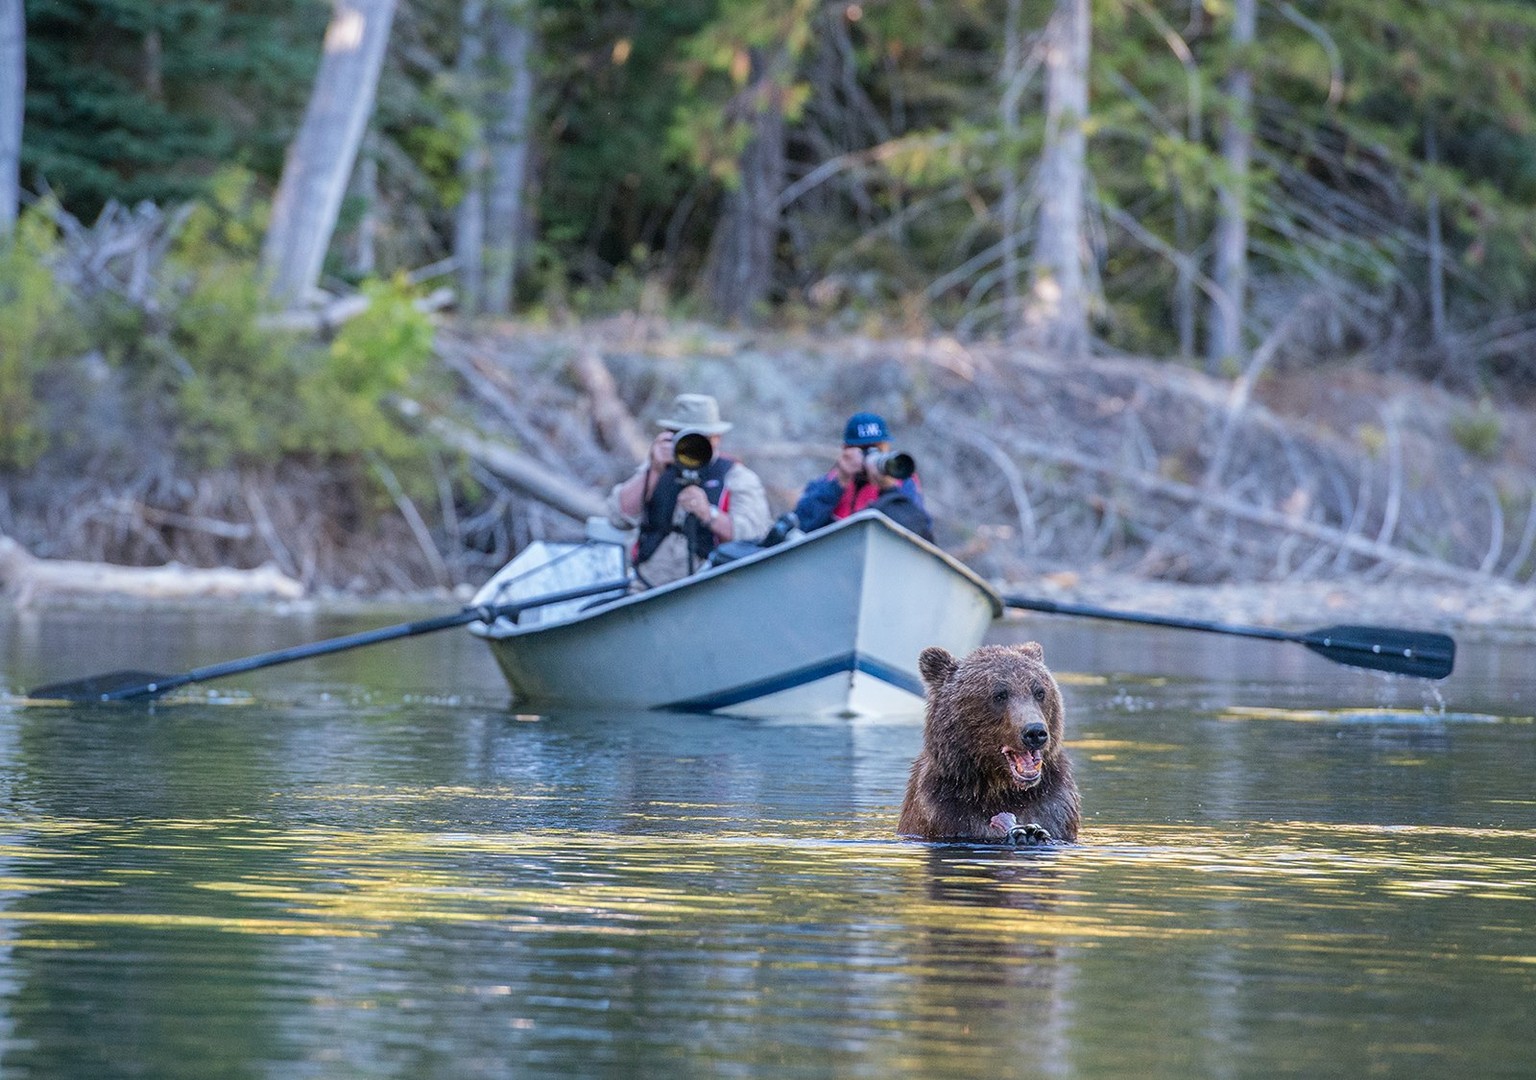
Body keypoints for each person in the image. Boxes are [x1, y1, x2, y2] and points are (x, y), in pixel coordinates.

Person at [606, 393, 771, 587]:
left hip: (713, 587)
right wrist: (654, 470)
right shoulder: (657, 469)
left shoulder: (737, 478)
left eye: (701, 437)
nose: (692, 444)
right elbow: (617, 517)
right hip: (647, 584)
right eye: (683, 435)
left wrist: (709, 514)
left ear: (716, 438)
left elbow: (754, 538)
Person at [794, 411, 934, 540]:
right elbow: (800, 527)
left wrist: (889, 488)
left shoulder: (902, 480)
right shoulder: (829, 483)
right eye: (864, 449)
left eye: (878, 449)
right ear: (846, 450)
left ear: (887, 447)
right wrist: (838, 484)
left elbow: (920, 531)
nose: (872, 455)